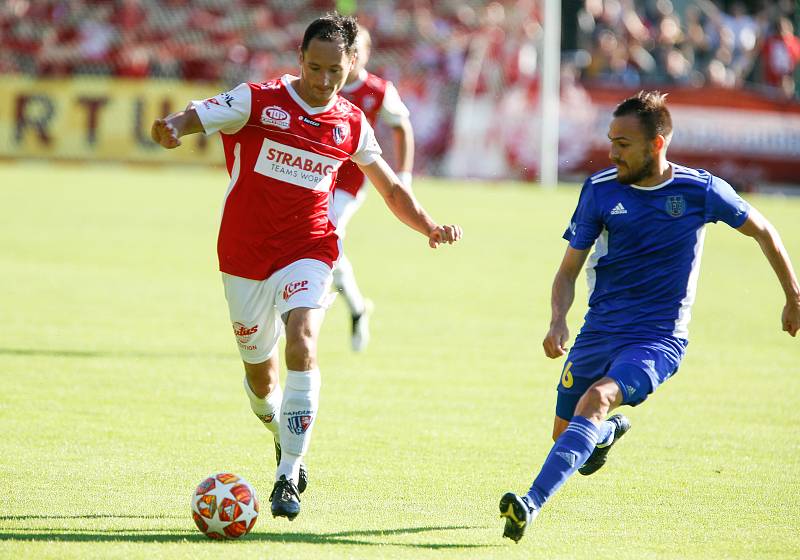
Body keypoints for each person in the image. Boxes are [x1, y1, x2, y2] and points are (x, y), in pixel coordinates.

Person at [150, 13, 462, 522]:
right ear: (299, 60)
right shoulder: (258, 100)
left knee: (304, 339)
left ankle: (289, 473)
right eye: (314, 68)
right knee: (261, 383)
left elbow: (388, 187)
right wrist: (173, 129)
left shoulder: (351, 122)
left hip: (311, 247)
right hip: (244, 256)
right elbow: (196, 114)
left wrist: (428, 224)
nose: (322, 82)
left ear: (352, 64)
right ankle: (280, 432)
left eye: (334, 72)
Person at [498, 91, 800, 543]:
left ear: (657, 144)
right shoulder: (599, 190)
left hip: (658, 339)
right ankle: (602, 436)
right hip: (597, 332)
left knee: (598, 399)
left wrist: (793, 297)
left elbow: (764, 232)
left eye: (623, 144)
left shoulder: (700, 191)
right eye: (611, 141)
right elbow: (566, 272)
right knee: (567, 437)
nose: (611, 152)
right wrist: (558, 319)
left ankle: (530, 504)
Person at [332, 24, 415, 352]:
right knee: (327, 246)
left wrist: (404, 176)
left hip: (350, 181)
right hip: (313, 176)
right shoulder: (323, 83)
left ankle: (308, 309)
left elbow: (401, 127)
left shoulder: (379, 90)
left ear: (365, 54)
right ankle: (356, 307)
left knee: (327, 233)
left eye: (357, 51)